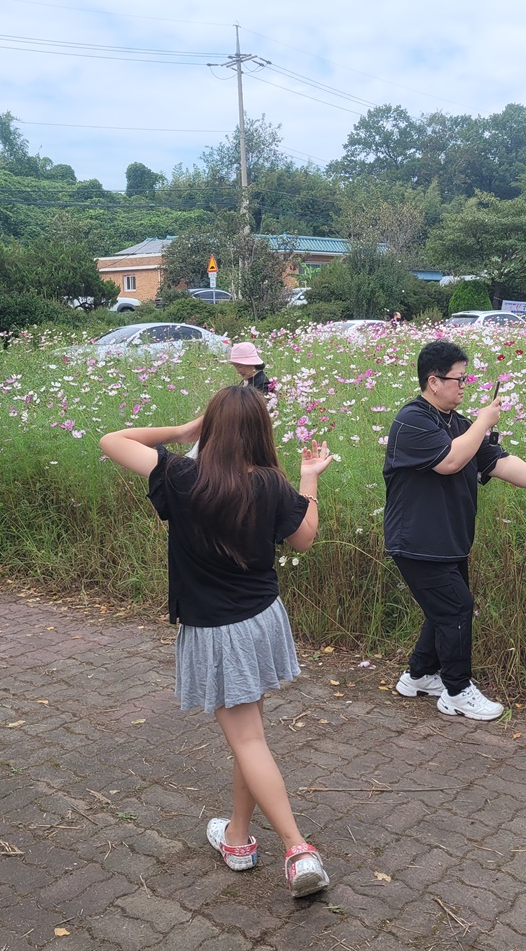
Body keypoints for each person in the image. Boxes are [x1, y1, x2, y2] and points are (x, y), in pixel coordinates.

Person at [99, 384, 335, 899]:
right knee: (249, 737)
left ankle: (298, 850)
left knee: (247, 739)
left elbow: (111, 439)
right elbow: (305, 537)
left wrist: (185, 431)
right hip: (263, 620)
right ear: (259, 432)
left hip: (215, 630)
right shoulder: (271, 483)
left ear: (213, 429)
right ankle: (238, 838)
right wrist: (309, 480)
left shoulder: (184, 476)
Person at [384, 340, 526, 722]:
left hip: (449, 540)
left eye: (466, 378)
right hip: (418, 541)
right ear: (433, 381)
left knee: (443, 609)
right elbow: (451, 461)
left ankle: (419, 675)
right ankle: (456, 690)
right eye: (459, 378)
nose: (464, 385)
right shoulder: (412, 421)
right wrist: (485, 422)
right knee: (456, 607)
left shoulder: (457, 423)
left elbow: (501, 464)